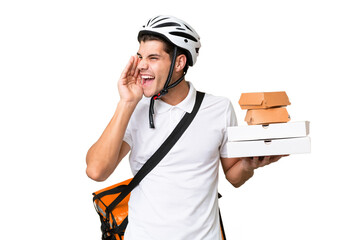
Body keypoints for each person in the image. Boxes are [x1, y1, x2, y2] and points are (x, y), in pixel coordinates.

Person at [86, 15, 284, 240]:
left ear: (179, 63)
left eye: (153, 57)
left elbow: (234, 176)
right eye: (140, 56)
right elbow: (96, 170)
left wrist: (249, 165)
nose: (141, 65)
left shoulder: (218, 108)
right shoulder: (135, 109)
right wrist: (126, 103)